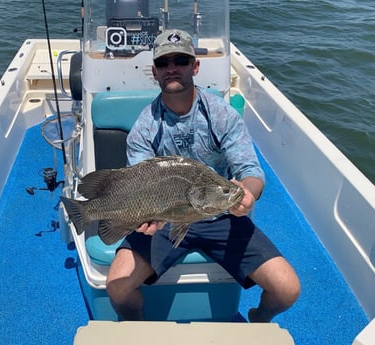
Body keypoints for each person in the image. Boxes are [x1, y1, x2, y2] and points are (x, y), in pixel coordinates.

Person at [106, 29, 300, 322]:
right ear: (154, 72)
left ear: (194, 67)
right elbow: (140, 182)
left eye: (181, 60)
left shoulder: (221, 114)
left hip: (221, 216)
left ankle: (258, 320)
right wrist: (145, 216)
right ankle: (139, 330)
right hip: (166, 220)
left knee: (287, 290)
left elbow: (250, 171)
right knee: (117, 288)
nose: (172, 67)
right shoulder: (144, 127)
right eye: (164, 62)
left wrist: (246, 194)